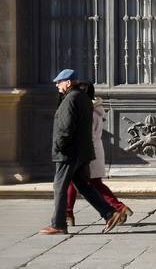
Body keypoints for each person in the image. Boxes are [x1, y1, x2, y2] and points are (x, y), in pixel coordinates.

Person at [39, 69, 126, 235]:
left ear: (68, 82)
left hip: (69, 152)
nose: (56, 85)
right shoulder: (84, 98)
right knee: (84, 186)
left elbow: (65, 127)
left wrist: (59, 146)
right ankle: (110, 213)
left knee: (59, 186)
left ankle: (58, 224)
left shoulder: (70, 99)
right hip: (82, 151)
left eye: (59, 82)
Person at [66, 82, 134, 226]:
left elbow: (85, 134)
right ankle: (68, 213)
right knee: (85, 182)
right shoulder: (96, 110)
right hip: (95, 149)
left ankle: (117, 207)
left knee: (80, 182)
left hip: (87, 151)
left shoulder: (87, 111)